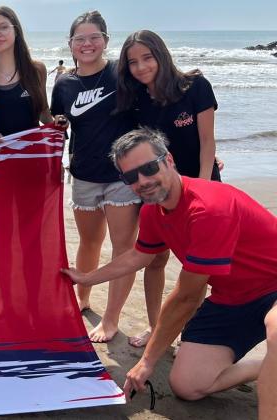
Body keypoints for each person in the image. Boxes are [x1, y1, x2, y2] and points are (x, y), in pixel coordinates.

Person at [62, 127, 277, 418]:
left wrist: (147, 361)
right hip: (232, 299)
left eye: (149, 168)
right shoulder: (153, 211)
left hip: (273, 288)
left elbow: (187, 297)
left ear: (169, 160)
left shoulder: (208, 209)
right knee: (188, 385)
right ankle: (262, 367)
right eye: (131, 177)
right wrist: (87, 277)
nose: (143, 181)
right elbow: (139, 256)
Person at [117, 29, 223, 347]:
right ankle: (157, 327)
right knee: (156, 259)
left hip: (201, 186)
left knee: (203, 265)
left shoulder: (195, 86)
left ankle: (196, 335)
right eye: (133, 62)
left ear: (161, 54)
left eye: (147, 57)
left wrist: (202, 186)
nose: (141, 67)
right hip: (156, 191)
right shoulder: (135, 100)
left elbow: (207, 142)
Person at [50, 10, 139, 343]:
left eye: (94, 37)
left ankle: (112, 319)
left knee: (123, 248)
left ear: (105, 40)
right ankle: (82, 300)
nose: (87, 44)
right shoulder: (64, 83)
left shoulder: (122, 74)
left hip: (122, 176)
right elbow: (57, 125)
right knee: (89, 242)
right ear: (70, 44)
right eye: (79, 39)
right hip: (84, 174)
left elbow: (155, 104)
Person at [0, 6, 52, 145]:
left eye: (4, 27)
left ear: (16, 30)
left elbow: (43, 113)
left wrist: (58, 126)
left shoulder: (37, 69)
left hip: (33, 155)